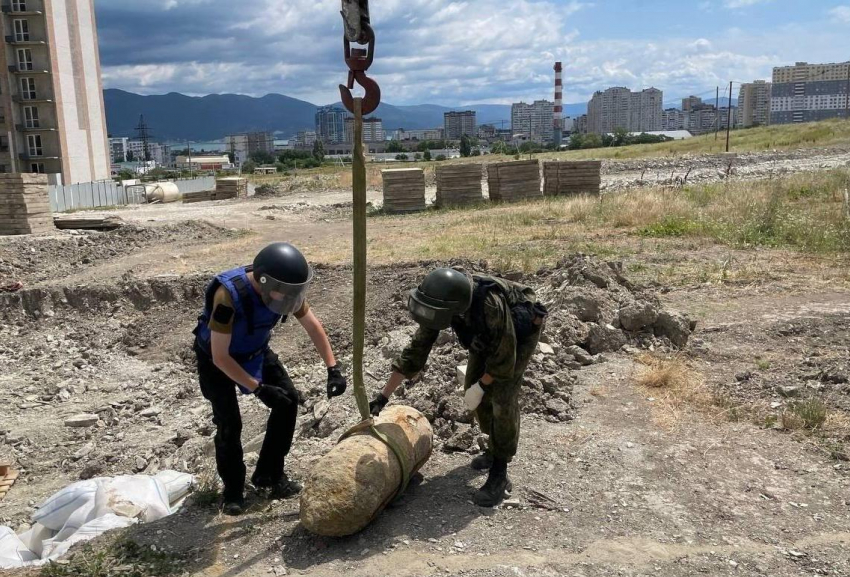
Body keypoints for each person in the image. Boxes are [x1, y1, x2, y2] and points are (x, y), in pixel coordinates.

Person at [369, 268, 547, 507]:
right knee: (473, 388)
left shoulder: (489, 306)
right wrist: (383, 397)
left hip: (519, 329)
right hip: (485, 334)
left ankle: (500, 472)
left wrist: (483, 386)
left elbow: (504, 360)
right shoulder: (441, 306)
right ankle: (493, 449)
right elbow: (416, 352)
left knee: (502, 399)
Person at [193, 242, 347, 515]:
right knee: (229, 424)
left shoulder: (286, 289)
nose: (289, 300)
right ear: (264, 282)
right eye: (284, 294)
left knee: (287, 401)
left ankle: (269, 476)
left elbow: (312, 325)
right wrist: (259, 388)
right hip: (216, 360)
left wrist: (332, 368)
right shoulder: (227, 296)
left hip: (256, 352)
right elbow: (220, 357)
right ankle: (232, 492)